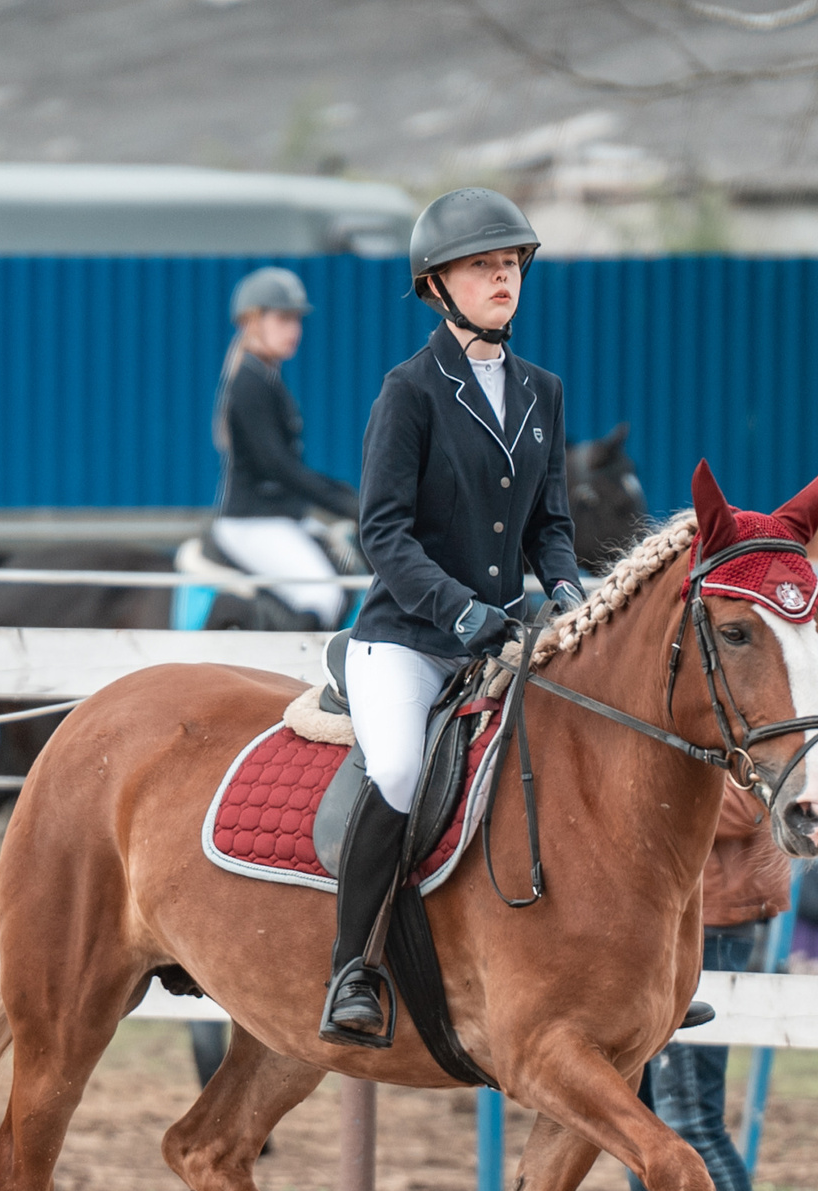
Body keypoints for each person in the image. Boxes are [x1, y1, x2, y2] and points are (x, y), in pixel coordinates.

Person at [326, 187, 585, 1044]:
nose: (504, 278)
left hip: (505, 633)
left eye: (511, 264)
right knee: (398, 768)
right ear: (438, 285)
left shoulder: (542, 390)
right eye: (485, 266)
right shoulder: (410, 392)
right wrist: (462, 609)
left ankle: (607, 965)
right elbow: (383, 533)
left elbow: (551, 523)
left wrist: (570, 588)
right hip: (408, 637)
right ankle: (352, 967)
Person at [626, 777, 787, 1191]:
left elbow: (748, 809)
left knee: (688, 1114)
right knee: (637, 1115)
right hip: (667, 920)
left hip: (710, 922)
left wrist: (635, 788)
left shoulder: (742, 733)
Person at [210, 266, 361, 630]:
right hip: (253, 521)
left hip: (280, 516)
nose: (294, 329)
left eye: (297, 320)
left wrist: (349, 497)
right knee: (323, 594)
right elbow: (278, 466)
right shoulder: (249, 382)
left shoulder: (266, 376)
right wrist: (345, 503)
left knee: (349, 566)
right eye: (283, 319)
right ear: (252, 320)